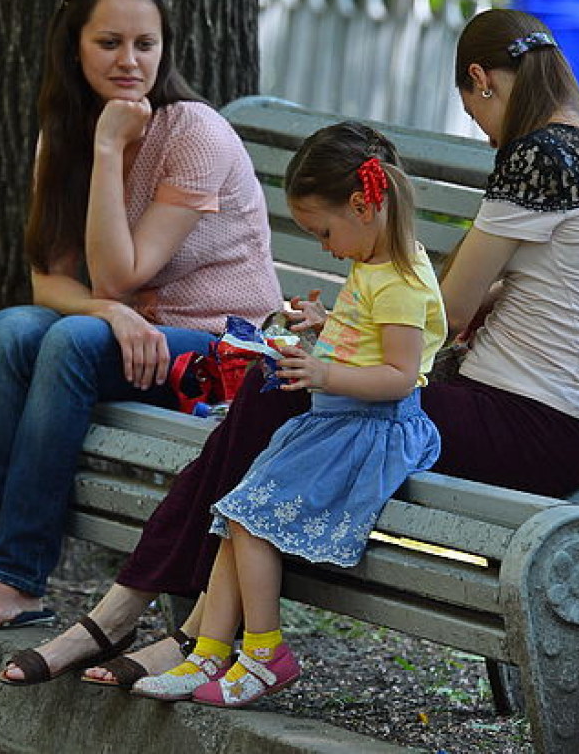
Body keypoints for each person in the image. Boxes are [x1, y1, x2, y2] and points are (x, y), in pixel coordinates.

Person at [0, 6, 579, 688]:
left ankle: (148, 613)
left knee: (279, 387)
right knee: (280, 399)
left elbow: (444, 312)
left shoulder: (535, 155)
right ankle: (181, 628)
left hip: (511, 420)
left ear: (480, 79)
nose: (483, 131)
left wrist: (478, 301)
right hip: (553, 429)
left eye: (472, 106)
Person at [0, 0, 281, 644]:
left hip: (220, 349)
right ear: (74, 44)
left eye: (145, 44)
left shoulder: (194, 133)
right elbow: (51, 284)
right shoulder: (65, 129)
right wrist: (112, 313)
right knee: (8, 330)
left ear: (166, 49)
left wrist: (109, 150)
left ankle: (16, 578)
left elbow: (118, 273)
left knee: (69, 339)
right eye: (109, 43)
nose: (130, 60)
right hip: (133, 335)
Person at [115, 121, 445, 705]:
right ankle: (209, 653)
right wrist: (328, 327)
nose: (324, 246)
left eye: (323, 232)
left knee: (249, 518)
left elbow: (398, 376)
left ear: (363, 206)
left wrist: (323, 372)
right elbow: (375, 340)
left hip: (369, 431)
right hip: (338, 422)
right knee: (235, 514)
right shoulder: (379, 264)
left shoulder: (396, 281)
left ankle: (265, 654)